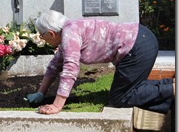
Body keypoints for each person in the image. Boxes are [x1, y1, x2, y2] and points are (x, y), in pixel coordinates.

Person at [26, 10, 175, 115]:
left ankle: (172, 90)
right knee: (131, 90)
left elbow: (70, 70)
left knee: (120, 98)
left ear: (51, 33)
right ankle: (171, 87)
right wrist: (41, 93)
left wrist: (57, 105)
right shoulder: (71, 27)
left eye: (41, 35)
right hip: (142, 38)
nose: (41, 39)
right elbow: (55, 66)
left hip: (136, 47)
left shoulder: (69, 35)